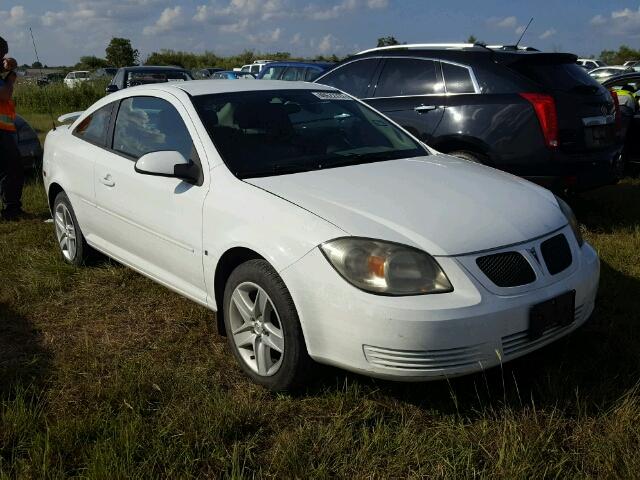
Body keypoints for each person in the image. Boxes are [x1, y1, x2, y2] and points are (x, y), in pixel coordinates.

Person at [0, 36, 24, 221]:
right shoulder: (5, 78)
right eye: (1, 53)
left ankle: (11, 207)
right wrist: (11, 77)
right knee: (13, 167)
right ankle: (11, 209)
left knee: (7, 168)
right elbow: (5, 95)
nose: (3, 58)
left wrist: (11, 67)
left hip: (4, 129)